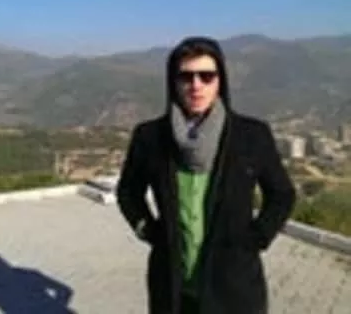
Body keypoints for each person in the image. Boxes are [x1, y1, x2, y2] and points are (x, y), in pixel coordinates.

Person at [117, 36, 296, 314]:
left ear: (220, 80)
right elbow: (128, 191)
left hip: (234, 287)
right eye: (186, 76)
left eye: (206, 76)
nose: (196, 85)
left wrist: (257, 237)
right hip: (172, 286)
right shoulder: (150, 137)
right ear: (173, 82)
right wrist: (146, 228)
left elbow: (282, 194)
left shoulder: (251, 136)